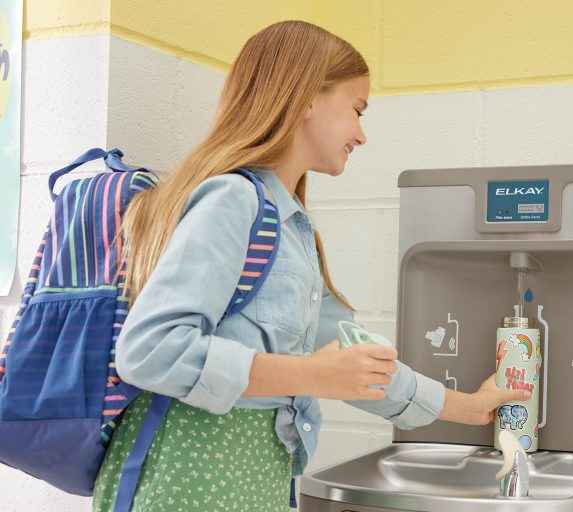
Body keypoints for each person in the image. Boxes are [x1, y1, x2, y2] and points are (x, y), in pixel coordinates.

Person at [92, 20, 530, 511]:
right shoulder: (233, 201)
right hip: (186, 485)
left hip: (256, 483)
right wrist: (309, 376)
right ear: (306, 99)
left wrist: (468, 408)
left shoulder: (292, 229)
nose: (361, 135)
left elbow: (357, 365)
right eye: (357, 110)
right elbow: (149, 350)